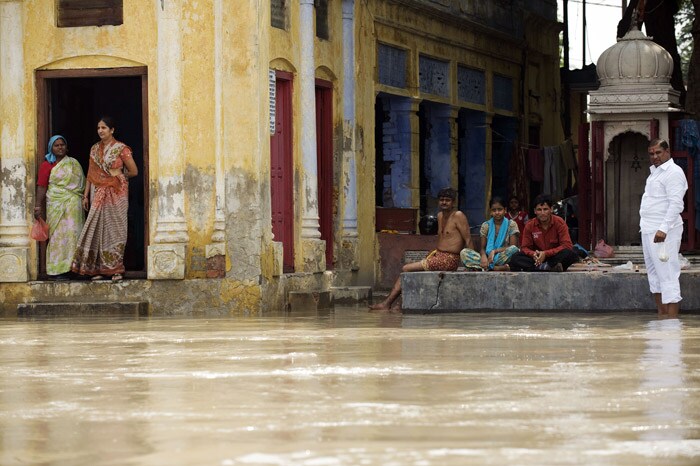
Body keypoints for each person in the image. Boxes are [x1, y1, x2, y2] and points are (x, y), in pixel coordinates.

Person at [369, 187, 473, 311]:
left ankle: (387, 304)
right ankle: (399, 305)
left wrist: (471, 263)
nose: (444, 203)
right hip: (438, 255)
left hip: (449, 260)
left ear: (453, 202)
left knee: (406, 268)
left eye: (447, 200)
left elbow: (468, 239)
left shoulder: (458, 215)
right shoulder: (439, 216)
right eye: (441, 200)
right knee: (411, 271)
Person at [71, 116, 138, 282]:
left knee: (115, 229)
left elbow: (134, 171)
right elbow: (91, 174)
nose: (100, 131)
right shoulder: (94, 149)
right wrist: (85, 195)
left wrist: (119, 177)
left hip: (117, 193)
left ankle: (115, 269)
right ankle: (98, 269)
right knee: (98, 228)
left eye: (104, 128)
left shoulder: (121, 148)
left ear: (112, 130)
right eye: (99, 128)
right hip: (98, 191)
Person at [640, 138, 687, 318]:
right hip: (648, 229)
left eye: (658, 152)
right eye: (651, 153)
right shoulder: (654, 173)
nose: (655, 156)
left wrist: (664, 229)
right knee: (654, 275)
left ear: (667, 152)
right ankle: (662, 317)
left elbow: (676, 204)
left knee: (668, 275)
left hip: (664, 231)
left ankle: (672, 323)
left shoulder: (674, 172)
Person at [34, 135, 86, 280]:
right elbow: (42, 186)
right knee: (58, 236)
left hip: (74, 207)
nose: (60, 147)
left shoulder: (73, 163)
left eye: (62, 144)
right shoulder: (47, 165)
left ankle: (75, 269)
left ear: (67, 147)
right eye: (56, 145)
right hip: (56, 206)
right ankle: (57, 270)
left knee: (75, 235)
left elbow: (81, 185)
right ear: (51, 148)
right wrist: (38, 205)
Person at [509, 194, 578, 272]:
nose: (542, 213)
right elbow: (525, 247)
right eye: (539, 210)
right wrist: (534, 254)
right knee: (515, 258)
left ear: (551, 209)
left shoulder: (559, 222)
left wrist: (546, 253)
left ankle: (544, 266)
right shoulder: (530, 225)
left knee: (571, 253)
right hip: (537, 259)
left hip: (554, 257)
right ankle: (546, 267)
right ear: (535, 211)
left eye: (545, 209)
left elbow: (567, 245)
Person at [460, 197, 519, 271]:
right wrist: (484, 257)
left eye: (500, 209)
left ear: (505, 210)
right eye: (494, 210)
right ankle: (494, 268)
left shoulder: (511, 224)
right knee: (464, 253)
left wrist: (494, 251)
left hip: (502, 257)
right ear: (490, 211)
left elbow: (513, 246)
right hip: (488, 258)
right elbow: (482, 248)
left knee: (514, 250)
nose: (497, 212)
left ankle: (486, 267)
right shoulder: (486, 225)